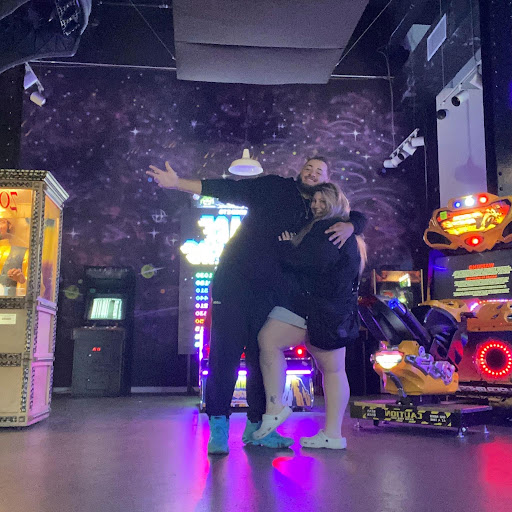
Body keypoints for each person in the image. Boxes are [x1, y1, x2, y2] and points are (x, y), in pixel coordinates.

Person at [146, 156, 367, 455]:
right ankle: (219, 427)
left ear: (327, 181)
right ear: (300, 171)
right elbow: (230, 189)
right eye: (308, 168)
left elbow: (354, 215)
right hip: (235, 283)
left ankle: (258, 428)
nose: (312, 174)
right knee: (224, 355)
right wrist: (178, 183)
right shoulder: (274, 187)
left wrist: (352, 225)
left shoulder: (319, 213)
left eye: (319, 172)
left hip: (272, 293)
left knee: (260, 356)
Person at [252, 183, 366, 449]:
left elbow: (311, 262)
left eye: (322, 201)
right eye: (314, 201)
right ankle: (333, 435)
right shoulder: (345, 230)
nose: (316, 206)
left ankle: (276, 407)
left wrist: (285, 248)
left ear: (334, 202)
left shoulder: (328, 228)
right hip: (336, 311)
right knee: (334, 371)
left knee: (268, 339)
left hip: (317, 309)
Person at [0, 217, 27, 297]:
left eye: (2, 222)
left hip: (9, 303)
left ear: (10, 226)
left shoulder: (23, 253)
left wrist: (22, 281)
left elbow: (38, 289)